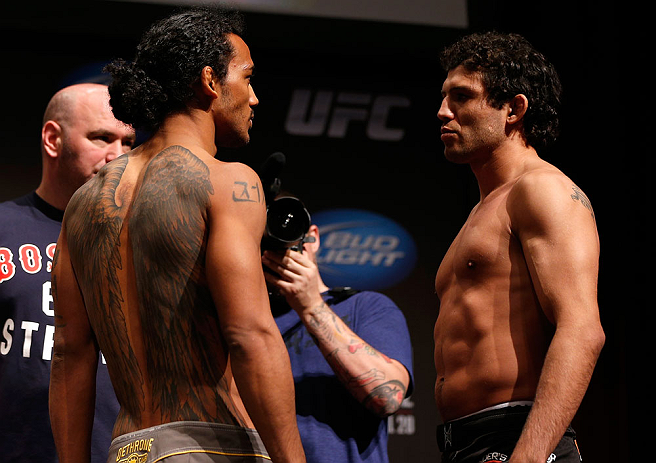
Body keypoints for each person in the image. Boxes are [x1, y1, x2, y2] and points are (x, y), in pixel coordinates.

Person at [48, 7, 306, 463]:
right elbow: (251, 335)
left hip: (128, 450)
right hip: (211, 446)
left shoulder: (83, 202)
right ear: (210, 81)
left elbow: (69, 354)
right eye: (247, 78)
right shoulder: (228, 181)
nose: (255, 98)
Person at [433, 31, 605, 463]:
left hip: (517, 439)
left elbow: (582, 330)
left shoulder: (543, 191)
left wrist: (526, 458)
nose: (442, 111)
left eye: (461, 97)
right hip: (466, 443)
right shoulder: (483, 211)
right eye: (443, 96)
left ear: (514, 109)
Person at [0, 83, 136, 463]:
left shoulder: (149, 245)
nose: (118, 156)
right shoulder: (3, 229)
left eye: (128, 143)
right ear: (53, 139)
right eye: (102, 138)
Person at [261, 195, 414, 463]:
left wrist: (309, 305)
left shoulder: (365, 307)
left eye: (288, 234)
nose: (280, 248)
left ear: (313, 237)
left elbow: (388, 397)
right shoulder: (247, 327)